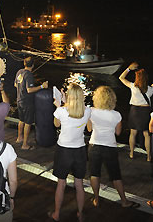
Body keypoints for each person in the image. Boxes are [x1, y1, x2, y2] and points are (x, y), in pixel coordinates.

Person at [87, 86, 140, 209]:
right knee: (115, 175)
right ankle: (124, 201)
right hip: (110, 147)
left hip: (94, 145)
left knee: (94, 174)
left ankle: (96, 199)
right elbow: (118, 133)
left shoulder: (91, 111)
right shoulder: (116, 115)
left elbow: (89, 129)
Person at [48, 83, 90, 222]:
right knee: (79, 184)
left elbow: (56, 124)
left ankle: (57, 214)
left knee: (61, 183)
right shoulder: (87, 110)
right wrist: (65, 103)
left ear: (70, 96)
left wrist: (59, 105)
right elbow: (89, 128)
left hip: (64, 151)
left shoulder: (61, 111)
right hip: (80, 151)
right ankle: (81, 213)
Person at [119, 62, 153, 160]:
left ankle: (131, 153)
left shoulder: (133, 87)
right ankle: (149, 156)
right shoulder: (150, 89)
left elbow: (121, 78)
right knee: (146, 135)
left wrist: (128, 68)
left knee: (133, 133)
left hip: (134, 111)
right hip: (145, 111)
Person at [14, 57, 48, 150]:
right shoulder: (29, 74)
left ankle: (19, 138)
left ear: (24, 64)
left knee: (21, 120)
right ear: (33, 65)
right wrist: (42, 86)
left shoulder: (19, 72)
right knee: (28, 122)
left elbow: (15, 85)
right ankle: (25, 145)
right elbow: (29, 90)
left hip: (19, 100)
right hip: (27, 102)